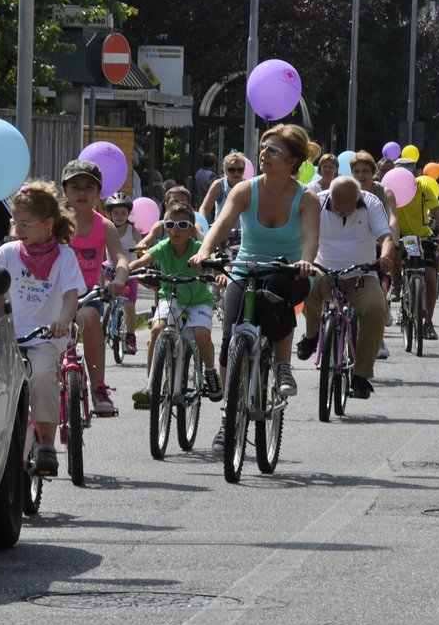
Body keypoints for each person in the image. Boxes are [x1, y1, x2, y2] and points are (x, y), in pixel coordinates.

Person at [193, 123, 321, 452]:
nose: (264, 153)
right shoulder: (245, 189)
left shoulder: (306, 197)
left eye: (273, 149)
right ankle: (228, 420)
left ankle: (282, 367)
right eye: (263, 147)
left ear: (293, 160)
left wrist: (305, 262)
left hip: (287, 270)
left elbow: (310, 240)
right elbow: (220, 225)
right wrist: (205, 250)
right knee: (230, 338)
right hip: (247, 266)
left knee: (277, 293)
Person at [0, 182, 83, 476]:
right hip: (7, 338)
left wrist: (63, 320)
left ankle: (47, 444)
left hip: (44, 337)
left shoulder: (65, 256)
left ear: (48, 225)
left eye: (24, 224)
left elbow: (71, 295)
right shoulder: (7, 253)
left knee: (44, 376)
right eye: (14, 222)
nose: (17, 228)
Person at [296, 176, 397, 399]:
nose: (342, 212)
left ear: (358, 198)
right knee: (305, 286)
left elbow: (386, 238)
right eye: (337, 207)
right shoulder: (316, 202)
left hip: (362, 273)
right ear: (329, 197)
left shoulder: (371, 203)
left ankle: (361, 376)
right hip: (323, 270)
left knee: (375, 310)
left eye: (348, 208)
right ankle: (312, 334)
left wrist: (387, 257)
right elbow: (299, 234)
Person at [133, 200, 222, 403]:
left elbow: (214, 260)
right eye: (170, 225)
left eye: (182, 226)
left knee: (201, 335)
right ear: (165, 229)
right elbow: (143, 260)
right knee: (157, 330)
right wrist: (124, 270)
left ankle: (210, 372)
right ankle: (151, 384)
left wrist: (219, 273)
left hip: (198, 301)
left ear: (191, 230)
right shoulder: (163, 247)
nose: (175, 230)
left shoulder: (199, 247)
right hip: (171, 297)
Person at [61, 159, 131, 417]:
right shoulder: (53, 222)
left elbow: (120, 257)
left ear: (98, 192)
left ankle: (99, 387)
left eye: (89, 187)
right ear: (65, 191)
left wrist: (119, 279)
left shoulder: (105, 225)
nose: (82, 193)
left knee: (90, 317)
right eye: (75, 186)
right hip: (54, 295)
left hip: (87, 294)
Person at [351, 150, 400, 360]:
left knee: (376, 286)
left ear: (373, 172)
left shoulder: (384, 192)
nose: (361, 176)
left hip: (379, 240)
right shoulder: (348, 191)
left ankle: (378, 337)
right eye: (356, 171)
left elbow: (393, 219)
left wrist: (392, 243)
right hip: (354, 243)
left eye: (365, 171)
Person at [394, 169, 439, 338]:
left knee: (431, 280)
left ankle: (428, 323)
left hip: (422, 237)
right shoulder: (390, 188)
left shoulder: (423, 186)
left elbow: (437, 211)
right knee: (392, 255)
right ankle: (396, 286)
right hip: (400, 236)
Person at [104, 192, 141, 353]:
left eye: (123, 213)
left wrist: (144, 255)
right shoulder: (106, 228)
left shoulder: (132, 231)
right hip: (110, 269)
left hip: (130, 271)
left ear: (128, 214)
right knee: (103, 297)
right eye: (116, 213)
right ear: (109, 214)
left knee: (129, 305)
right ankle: (104, 323)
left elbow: (143, 247)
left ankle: (130, 336)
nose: (119, 216)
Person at [200, 151, 247, 225]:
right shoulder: (218, 185)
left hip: (243, 233)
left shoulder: (249, 187)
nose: (236, 173)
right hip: (220, 232)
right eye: (232, 170)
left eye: (240, 170)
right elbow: (204, 209)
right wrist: (202, 224)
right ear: (225, 170)